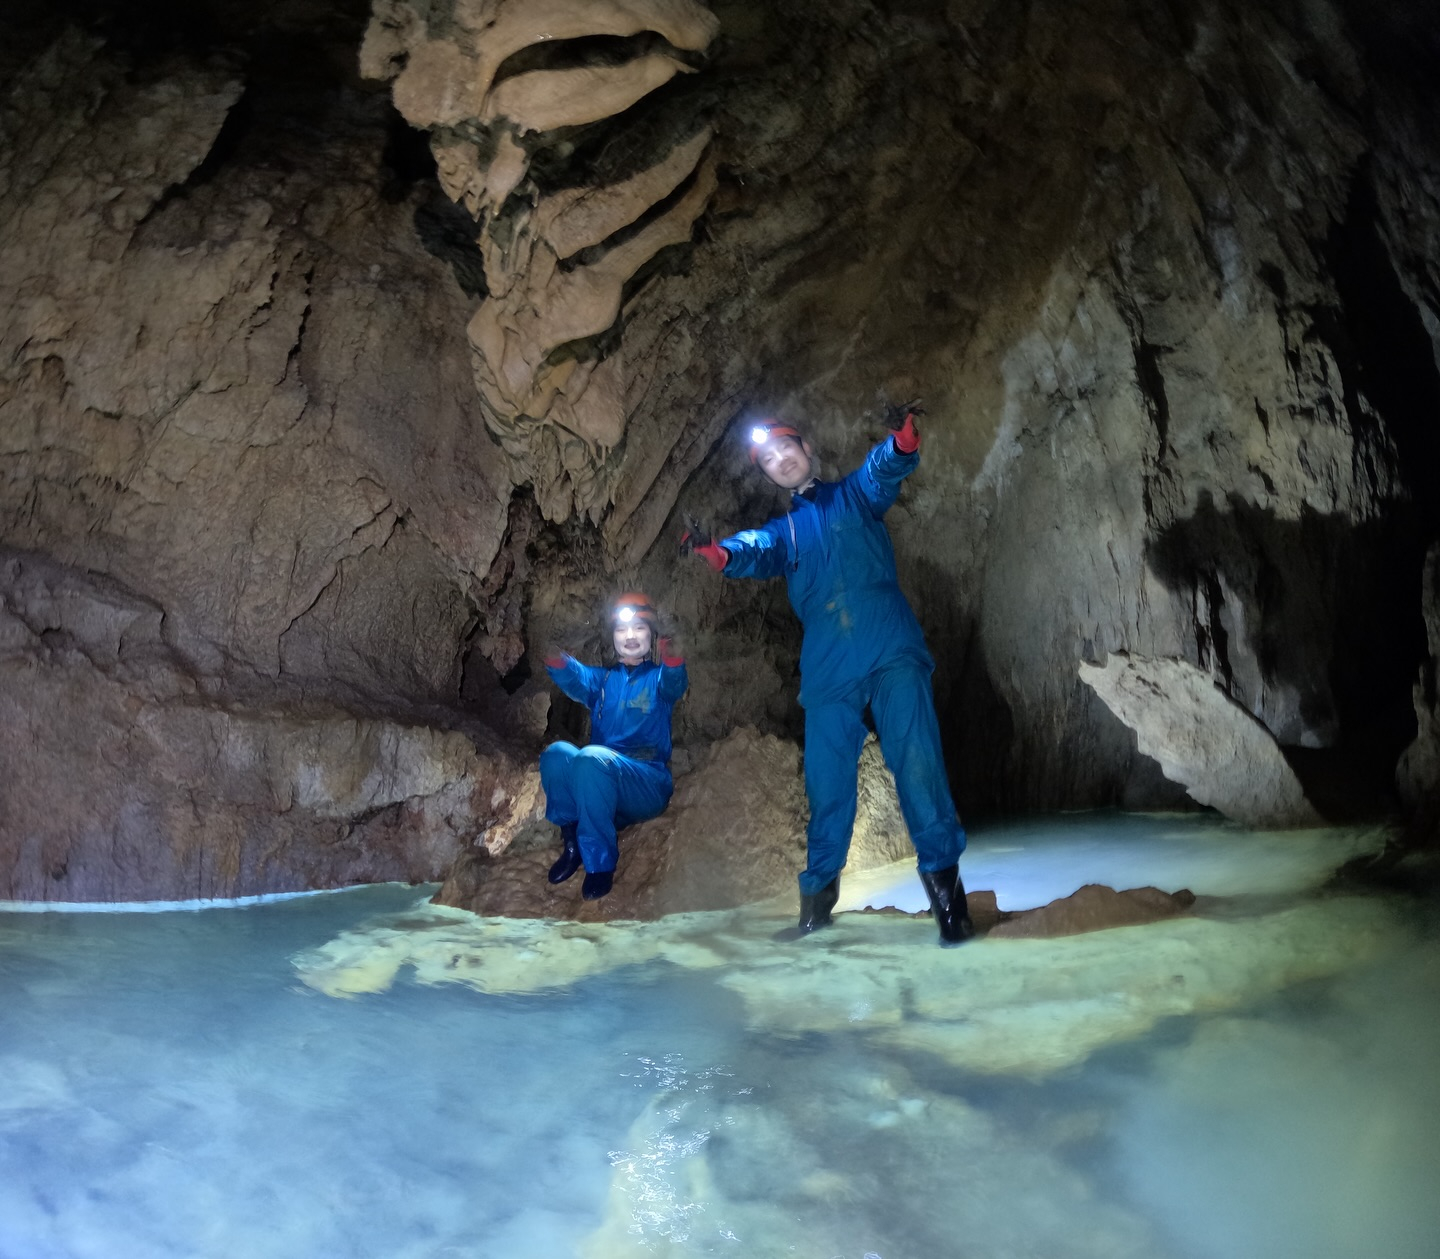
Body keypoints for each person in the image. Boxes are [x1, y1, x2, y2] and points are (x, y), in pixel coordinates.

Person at [683, 407, 974, 944]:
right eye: (768, 461)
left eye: (785, 449)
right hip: (828, 667)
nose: (779, 461)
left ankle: (950, 906)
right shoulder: (784, 533)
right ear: (769, 475)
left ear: (807, 449)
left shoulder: (853, 497)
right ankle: (815, 911)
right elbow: (753, 550)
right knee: (827, 786)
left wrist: (902, 442)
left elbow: (882, 470)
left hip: (889, 646)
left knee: (917, 763)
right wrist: (719, 552)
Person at [539, 593, 688, 900]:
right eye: (622, 630)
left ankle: (600, 864)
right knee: (556, 755)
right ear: (613, 637)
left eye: (639, 628)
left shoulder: (658, 679)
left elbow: (675, 681)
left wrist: (673, 654)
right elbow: (575, 677)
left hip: (645, 783)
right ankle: (572, 844)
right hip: (600, 781)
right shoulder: (603, 680)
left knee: (592, 758)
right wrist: (554, 654)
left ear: (651, 635)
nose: (630, 636)